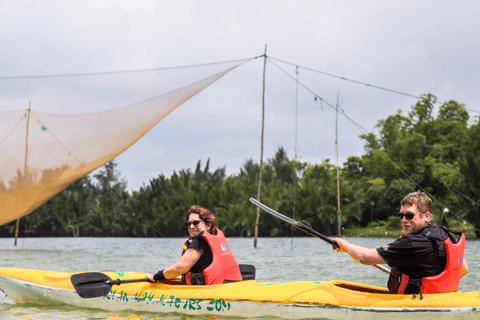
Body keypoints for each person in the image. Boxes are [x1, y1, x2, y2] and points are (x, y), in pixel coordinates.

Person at [332, 191, 468, 296]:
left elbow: (364, 257)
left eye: (409, 215)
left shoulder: (412, 243)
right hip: (441, 298)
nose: (403, 220)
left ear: (426, 216)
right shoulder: (444, 234)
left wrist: (344, 244)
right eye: (400, 215)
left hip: (416, 302)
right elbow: (463, 268)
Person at [147, 205, 242, 285]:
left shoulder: (198, 242)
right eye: (188, 224)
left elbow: (179, 268)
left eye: (196, 223)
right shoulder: (216, 237)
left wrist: (156, 276)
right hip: (228, 285)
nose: (191, 227)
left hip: (210, 290)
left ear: (208, 225)